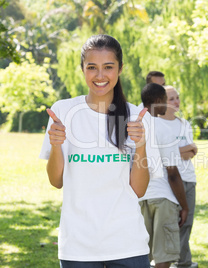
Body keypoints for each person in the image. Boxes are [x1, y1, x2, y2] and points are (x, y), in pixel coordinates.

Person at [39, 34, 160, 267]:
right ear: (82, 68)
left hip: (127, 243)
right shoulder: (63, 111)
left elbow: (139, 189)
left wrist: (141, 146)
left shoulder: (137, 118)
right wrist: (56, 145)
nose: (100, 75)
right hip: (78, 246)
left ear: (120, 69)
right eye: (92, 67)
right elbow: (56, 181)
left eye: (108, 67)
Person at [139, 83, 189, 268]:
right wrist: (184, 206)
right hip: (163, 197)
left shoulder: (131, 124)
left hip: (139, 197)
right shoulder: (162, 127)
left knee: (139, 252)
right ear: (159, 101)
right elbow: (173, 173)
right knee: (163, 256)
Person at [159, 86, 198, 268]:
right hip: (167, 180)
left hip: (188, 178)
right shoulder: (156, 124)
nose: (176, 102)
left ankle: (183, 262)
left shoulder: (184, 124)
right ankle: (170, 261)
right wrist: (184, 149)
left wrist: (178, 150)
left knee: (186, 222)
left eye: (177, 98)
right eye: (171, 99)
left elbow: (190, 153)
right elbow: (165, 154)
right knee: (170, 224)